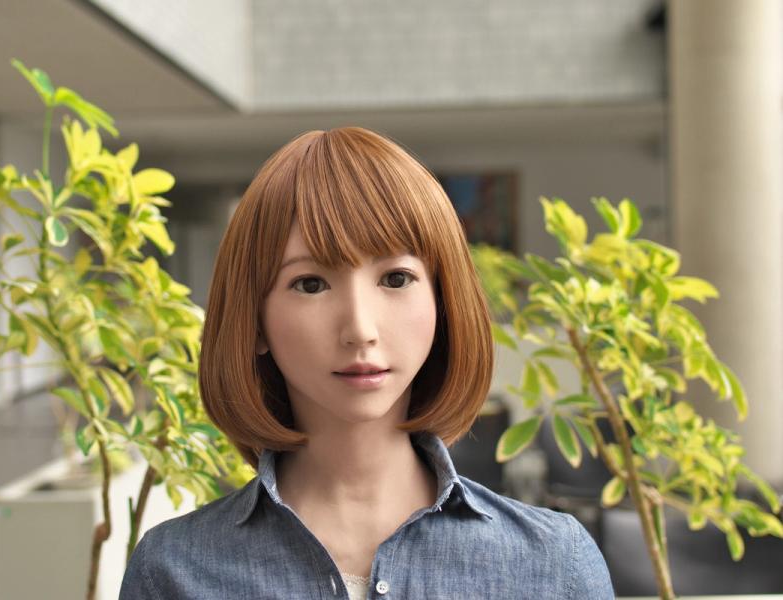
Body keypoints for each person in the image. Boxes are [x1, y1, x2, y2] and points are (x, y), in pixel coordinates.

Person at [120, 127, 614, 599]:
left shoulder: (553, 566)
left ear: (443, 304)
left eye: (396, 279)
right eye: (311, 283)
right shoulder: (175, 573)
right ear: (255, 322)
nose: (360, 329)